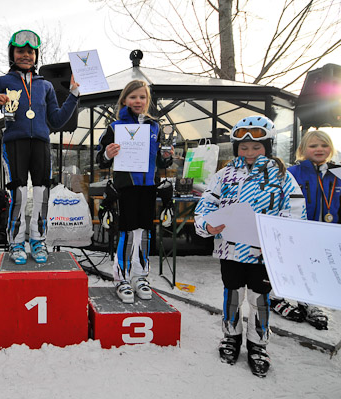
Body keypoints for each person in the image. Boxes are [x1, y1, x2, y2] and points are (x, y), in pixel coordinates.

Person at [194, 115, 306, 378]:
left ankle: (258, 345)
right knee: (232, 295)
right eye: (244, 148)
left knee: (259, 299)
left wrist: (282, 238)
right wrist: (207, 226)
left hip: (263, 254)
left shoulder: (281, 176)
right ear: (236, 148)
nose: (250, 152)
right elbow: (206, 206)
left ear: (267, 146)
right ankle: (231, 338)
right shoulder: (224, 175)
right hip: (230, 250)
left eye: (257, 147)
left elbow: (296, 210)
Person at [0, 29, 79, 265]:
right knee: (19, 194)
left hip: (41, 144)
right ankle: (16, 242)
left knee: (41, 194)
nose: (25, 55)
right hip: (15, 143)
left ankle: (38, 239)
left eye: (30, 52)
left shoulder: (45, 86)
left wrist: (74, 94)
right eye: (20, 51)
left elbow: (55, 120)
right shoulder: (1, 82)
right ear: (12, 54)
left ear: (36, 56)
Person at [96, 80, 173, 303]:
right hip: (125, 187)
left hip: (148, 186)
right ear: (124, 100)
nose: (138, 101)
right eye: (133, 97)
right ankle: (122, 277)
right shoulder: (114, 128)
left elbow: (159, 160)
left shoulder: (155, 126)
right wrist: (109, 154)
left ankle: (141, 276)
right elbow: (100, 159)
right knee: (128, 231)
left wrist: (165, 158)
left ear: (147, 100)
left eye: (142, 97)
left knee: (145, 231)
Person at [270, 130, 337, 330]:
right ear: (302, 150)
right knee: (288, 264)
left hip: (326, 231)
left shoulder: (338, 173)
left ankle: (310, 302)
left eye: (324, 145)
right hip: (296, 231)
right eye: (313, 146)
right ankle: (275, 297)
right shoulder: (291, 173)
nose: (319, 149)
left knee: (316, 267)